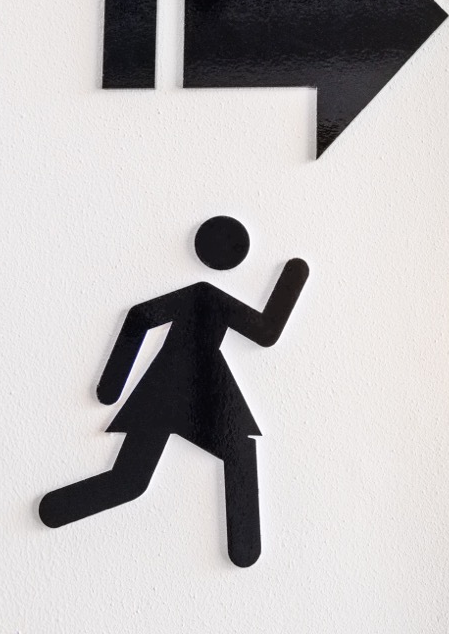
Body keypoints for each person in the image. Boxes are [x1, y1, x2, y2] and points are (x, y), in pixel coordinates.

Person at [39, 216, 309, 567]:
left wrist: (112, 387)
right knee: (236, 454)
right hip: (199, 389)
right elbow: (266, 331)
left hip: (168, 387)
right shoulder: (208, 296)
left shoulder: (198, 295)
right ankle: (244, 547)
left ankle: (55, 509)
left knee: (131, 479)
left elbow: (140, 317)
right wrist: (293, 275)